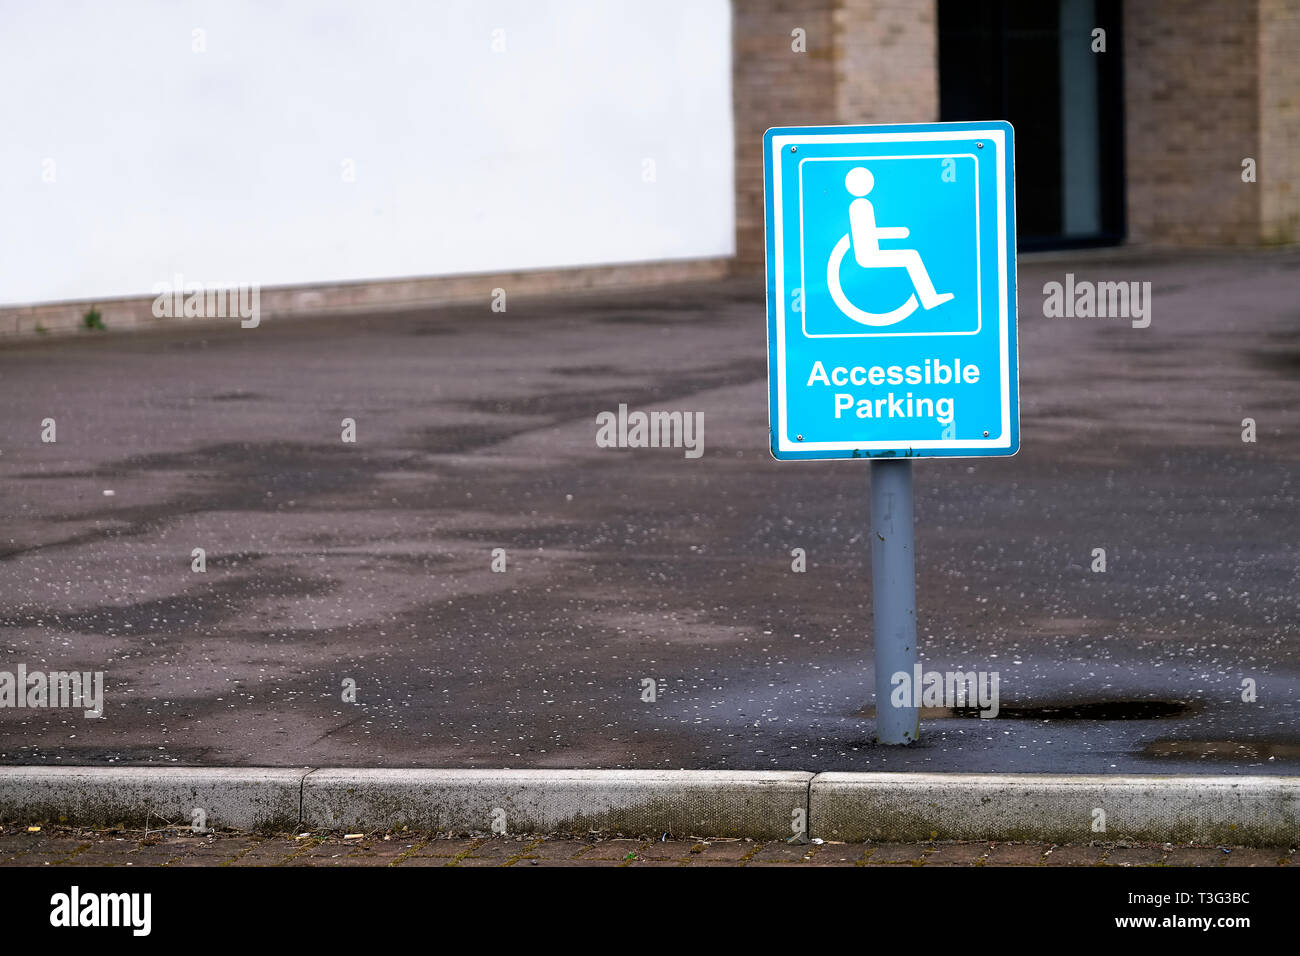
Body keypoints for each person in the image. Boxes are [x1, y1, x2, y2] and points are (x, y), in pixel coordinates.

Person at [845, 166, 954, 310]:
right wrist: (900, 232)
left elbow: (872, 233)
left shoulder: (861, 204)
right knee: (911, 256)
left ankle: (930, 298)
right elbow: (868, 234)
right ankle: (929, 299)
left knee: (911, 255)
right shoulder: (861, 205)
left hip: (871, 252)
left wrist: (899, 233)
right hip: (868, 256)